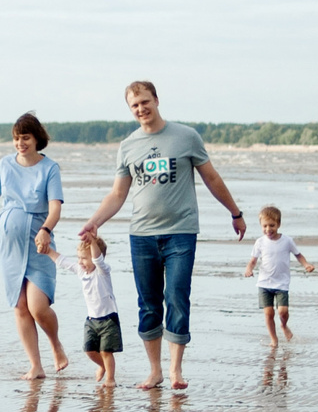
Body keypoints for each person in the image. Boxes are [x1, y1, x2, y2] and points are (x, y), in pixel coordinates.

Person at [73, 80, 245, 392]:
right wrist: (94, 222)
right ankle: (155, 371)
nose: (141, 109)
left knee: (177, 296)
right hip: (142, 235)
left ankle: (176, 369)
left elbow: (211, 177)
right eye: (134, 105)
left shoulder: (186, 137)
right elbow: (117, 194)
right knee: (149, 304)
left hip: (181, 232)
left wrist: (235, 212)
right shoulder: (128, 146)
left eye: (145, 102)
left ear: (156, 100)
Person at [0, 112, 68, 378]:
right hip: (9, 246)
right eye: (17, 138)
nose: (21, 143)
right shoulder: (6, 164)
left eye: (26, 138)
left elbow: (55, 208)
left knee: (38, 307)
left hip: (38, 243)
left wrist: (45, 230)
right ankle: (36, 365)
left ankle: (55, 344)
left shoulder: (49, 168)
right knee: (20, 307)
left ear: (36, 138)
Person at [241, 204, 318, 346]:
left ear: (279, 224)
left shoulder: (287, 241)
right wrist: (249, 270)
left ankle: (283, 325)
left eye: (272, 225)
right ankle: (274, 339)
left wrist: (306, 264)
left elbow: (298, 255)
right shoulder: (260, 242)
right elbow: (252, 261)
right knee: (268, 313)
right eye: (264, 226)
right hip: (264, 283)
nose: (268, 229)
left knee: (283, 311)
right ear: (261, 225)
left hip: (281, 283)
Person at [72, 230, 122, 388]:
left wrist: (92, 242)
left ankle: (110, 379)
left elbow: (97, 260)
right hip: (91, 320)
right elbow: (63, 262)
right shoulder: (82, 273)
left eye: (84, 258)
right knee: (89, 350)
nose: (80, 262)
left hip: (108, 319)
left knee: (106, 351)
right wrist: (48, 252)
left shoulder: (102, 271)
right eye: (79, 258)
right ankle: (102, 366)